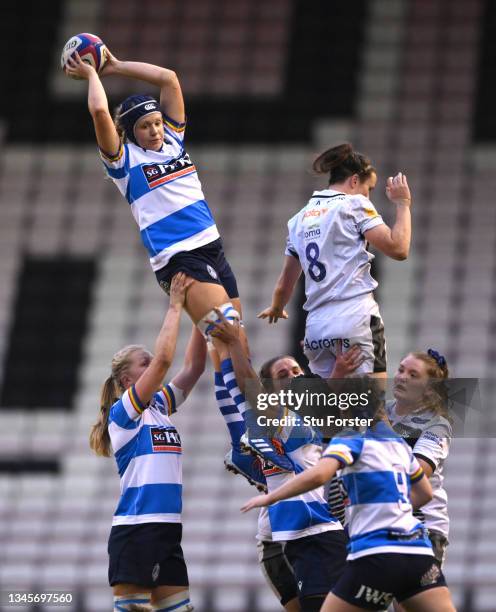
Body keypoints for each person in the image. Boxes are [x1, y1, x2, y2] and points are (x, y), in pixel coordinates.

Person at [64, 50, 242, 336]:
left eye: (157, 122)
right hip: (179, 257)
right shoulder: (124, 162)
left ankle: (231, 383)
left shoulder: (173, 140)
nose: (156, 130)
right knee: (227, 335)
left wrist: (117, 66)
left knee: (235, 341)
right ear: (131, 133)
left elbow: (169, 79)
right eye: (145, 126)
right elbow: (99, 112)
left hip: (212, 246)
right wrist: (92, 75)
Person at [241, 378, 456, 612]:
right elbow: (424, 492)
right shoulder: (399, 445)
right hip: (417, 554)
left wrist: (270, 497)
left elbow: (319, 475)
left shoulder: (350, 437)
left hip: (376, 555)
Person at [208, 313, 354, 612]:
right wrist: (224, 344)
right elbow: (237, 391)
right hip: (287, 537)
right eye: (284, 375)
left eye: (297, 370)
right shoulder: (284, 422)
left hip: (313, 532)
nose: (296, 376)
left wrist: (226, 342)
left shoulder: (302, 424)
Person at [89, 273, 206, 612]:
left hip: (167, 530)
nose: (153, 366)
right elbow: (166, 360)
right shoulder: (124, 412)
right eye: (145, 363)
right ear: (127, 380)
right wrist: (176, 305)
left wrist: (203, 316)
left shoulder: (159, 405)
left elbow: (195, 366)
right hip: (138, 529)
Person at [258, 143, 412, 379]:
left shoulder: (298, 220)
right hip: (355, 318)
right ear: (353, 180)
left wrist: (277, 308)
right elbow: (399, 249)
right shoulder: (354, 204)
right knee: (370, 410)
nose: (367, 195)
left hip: (316, 330)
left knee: (330, 409)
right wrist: (403, 204)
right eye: (368, 188)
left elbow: (283, 285)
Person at [388, 349, 452, 568]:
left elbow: (420, 470)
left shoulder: (437, 424)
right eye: (401, 370)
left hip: (422, 523)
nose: (402, 377)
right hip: (383, 519)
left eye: (413, 375)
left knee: (408, 603)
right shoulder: (381, 411)